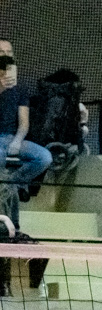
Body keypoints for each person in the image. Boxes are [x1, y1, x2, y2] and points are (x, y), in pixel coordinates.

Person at [0, 54, 50, 255]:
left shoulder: (20, 91)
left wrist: (18, 140)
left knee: (44, 157)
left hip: (13, 137)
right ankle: (7, 185)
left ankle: (14, 182)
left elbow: (24, 122)